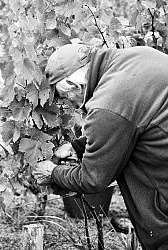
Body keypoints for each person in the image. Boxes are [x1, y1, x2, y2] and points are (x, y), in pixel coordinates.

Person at [32, 43, 168, 250]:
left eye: (65, 96)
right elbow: (131, 125)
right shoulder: (137, 56)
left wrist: (53, 173)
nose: (71, 104)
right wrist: (77, 147)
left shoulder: (108, 103)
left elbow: (93, 180)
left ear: (74, 85)